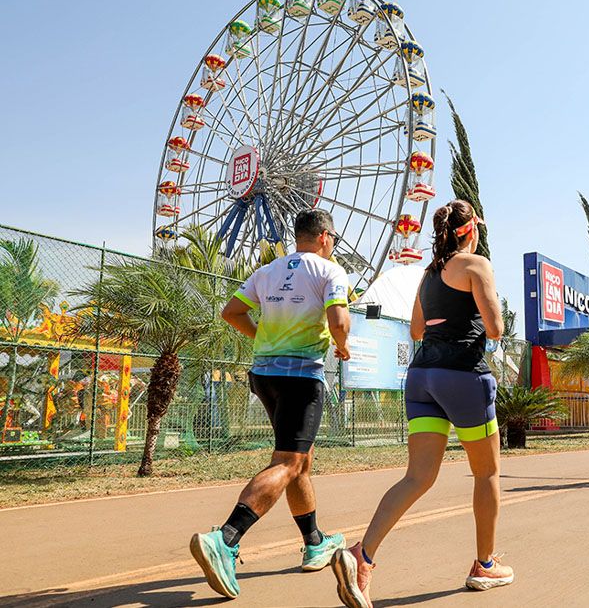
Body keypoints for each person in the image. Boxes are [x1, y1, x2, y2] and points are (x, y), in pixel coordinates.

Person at [330, 199, 511, 608]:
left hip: (422, 378)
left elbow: (416, 329)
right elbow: (497, 328)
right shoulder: (476, 265)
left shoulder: (427, 275)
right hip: (463, 376)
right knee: (487, 474)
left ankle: (363, 556)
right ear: (471, 231)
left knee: (418, 476)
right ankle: (484, 565)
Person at [189, 209, 351, 599]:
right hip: (300, 376)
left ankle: (314, 541)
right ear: (326, 237)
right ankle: (225, 539)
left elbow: (232, 313)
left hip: (264, 374)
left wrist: (264, 335)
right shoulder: (330, 272)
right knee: (289, 462)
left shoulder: (268, 271)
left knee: (299, 459)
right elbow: (339, 320)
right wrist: (342, 344)